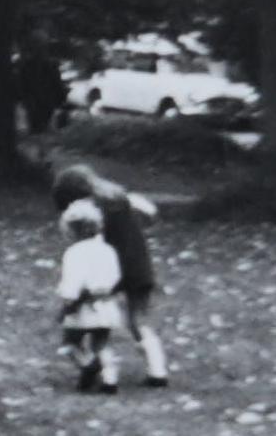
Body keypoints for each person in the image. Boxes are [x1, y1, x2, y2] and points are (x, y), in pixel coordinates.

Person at [52, 164, 170, 387]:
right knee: (138, 321)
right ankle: (157, 369)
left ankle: (102, 368)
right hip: (139, 266)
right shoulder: (120, 197)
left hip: (113, 269)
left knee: (98, 323)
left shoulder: (90, 210)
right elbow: (150, 212)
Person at [55, 198, 122, 394]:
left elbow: (73, 282)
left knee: (70, 342)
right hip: (106, 304)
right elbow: (115, 276)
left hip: (83, 306)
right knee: (101, 343)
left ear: (73, 230)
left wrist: (68, 301)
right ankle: (110, 378)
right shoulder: (108, 250)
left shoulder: (75, 253)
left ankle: (88, 365)